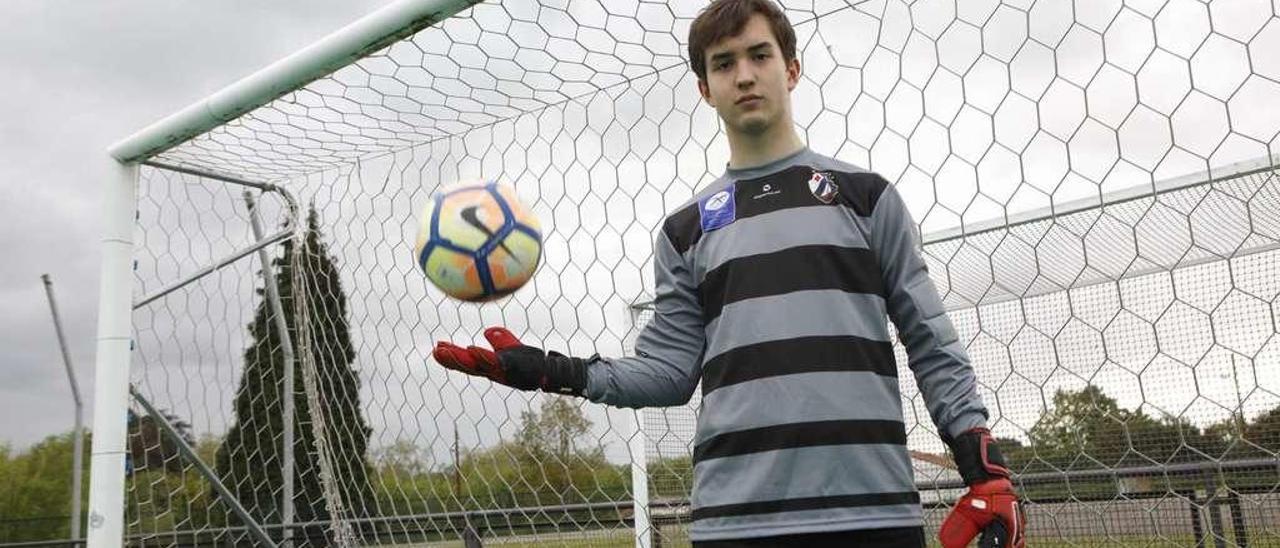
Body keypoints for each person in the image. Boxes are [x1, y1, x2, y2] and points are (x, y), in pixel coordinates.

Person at [431, 0, 1025, 546]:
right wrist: (551, 372)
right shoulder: (686, 230)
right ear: (704, 88)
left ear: (791, 69)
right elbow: (668, 373)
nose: (744, 75)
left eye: (760, 55)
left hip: (872, 512)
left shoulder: (867, 199)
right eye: (724, 64)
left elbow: (931, 340)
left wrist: (982, 466)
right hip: (735, 520)